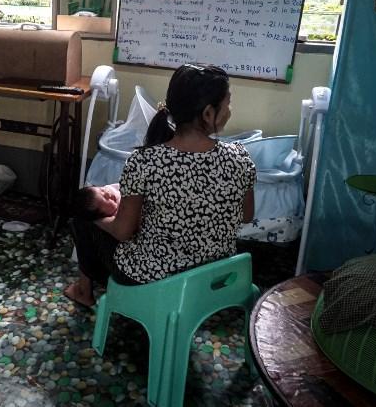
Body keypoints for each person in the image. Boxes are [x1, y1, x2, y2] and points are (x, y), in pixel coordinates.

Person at [65, 63, 256, 308]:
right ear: (208, 113)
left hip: (153, 278)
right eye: (228, 103)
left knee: (82, 216)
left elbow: (123, 231)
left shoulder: (144, 160)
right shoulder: (240, 157)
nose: (229, 110)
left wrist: (98, 220)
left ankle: (84, 291)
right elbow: (247, 216)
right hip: (214, 277)